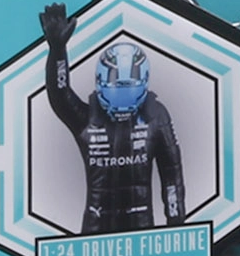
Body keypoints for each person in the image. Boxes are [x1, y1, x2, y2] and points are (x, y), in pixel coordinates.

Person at [36, 14, 186, 233]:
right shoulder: (87, 119)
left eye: (128, 89)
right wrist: (57, 50)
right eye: (117, 89)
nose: (122, 101)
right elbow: (60, 96)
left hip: (141, 228)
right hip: (97, 229)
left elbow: (172, 175)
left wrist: (177, 226)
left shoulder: (156, 116)